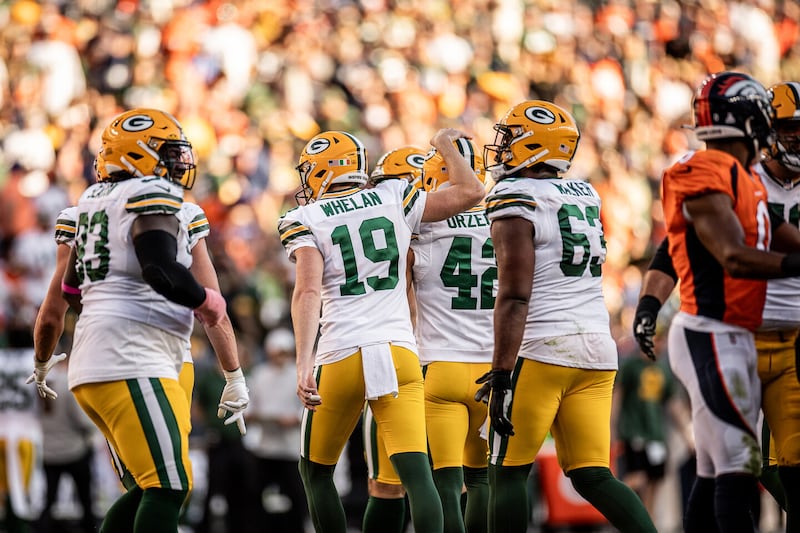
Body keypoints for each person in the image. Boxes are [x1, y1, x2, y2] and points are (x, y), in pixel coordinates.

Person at [27, 108, 249, 533]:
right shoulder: (150, 194)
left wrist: (45, 357)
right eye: (167, 152)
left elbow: (69, 292)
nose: (178, 161)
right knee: (169, 486)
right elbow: (160, 268)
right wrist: (208, 302)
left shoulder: (91, 202)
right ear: (137, 155)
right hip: (131, 357)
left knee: (153, 487)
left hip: (103, 357)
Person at [278, 128, 485, 533]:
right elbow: (471, 193)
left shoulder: (304, 217)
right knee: (419, 478)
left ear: (321, 170)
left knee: (316, 474)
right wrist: (445, 143)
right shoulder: (395, 196)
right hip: (399, 354)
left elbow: (307, 291)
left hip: (340, 352)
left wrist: (304, 363)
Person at [478, 99, 657, 533]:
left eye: (511, 138)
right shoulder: (585, 193)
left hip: (542, 346)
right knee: (593, 473)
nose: (501, 147)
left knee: (507, 470)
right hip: (596, 346)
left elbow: (515, 295)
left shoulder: (513, 196)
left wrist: (501, 372)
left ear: (533, 146)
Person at [633, 77, 800, 531]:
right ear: (744, 118)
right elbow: (734, 256)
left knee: (715, 470)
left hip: (734, 334)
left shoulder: (744, 178)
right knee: (738, 465)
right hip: (710, 331)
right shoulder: (706, 172)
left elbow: (780, 236)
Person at [413, 140, 492, 533]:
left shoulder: (424, 224)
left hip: (441, 363)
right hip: (494, 367)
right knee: (482, 481)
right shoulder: (505, 216)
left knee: (446, 484)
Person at [360, 145, 427, 533]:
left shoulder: (393, 240)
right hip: (470, 361)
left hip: (405, 360)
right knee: (460, 481)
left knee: (388, 486)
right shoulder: (474, 226)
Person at [244, 327, 308, 531]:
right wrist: (252, 415)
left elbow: (308, 408)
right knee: (257, 497)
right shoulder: (260, 374)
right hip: (265, 447)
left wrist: (295, 418)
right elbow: (251, 404)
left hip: (290, 449)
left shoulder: (299, 376)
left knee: (296, 497)